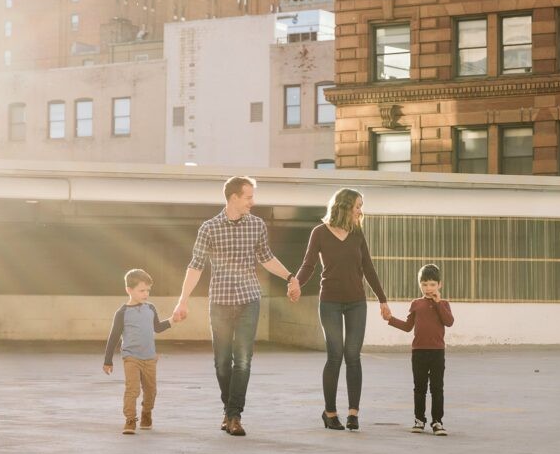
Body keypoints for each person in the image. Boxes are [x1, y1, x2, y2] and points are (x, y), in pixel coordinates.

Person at [172, 176, 300, 437]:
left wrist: (290, 276)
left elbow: (266, 258)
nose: (253, 202)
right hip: (219, 302)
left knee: (242, 360)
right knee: (221, 363)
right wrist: (182, 301)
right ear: (233, 198)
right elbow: (195, 266)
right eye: (248, 197)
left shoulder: (257, 225)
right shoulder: (209, 228)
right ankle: (228, 410)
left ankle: (234, 416)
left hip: (249, 299)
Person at [290, 188, 391, 432]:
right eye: (358, 205)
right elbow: (309, 264)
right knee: (335, 356)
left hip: (356, 302)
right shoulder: (320, 233)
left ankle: (353, 414)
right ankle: (330, 412)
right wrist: (296, 283)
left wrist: (383, 300)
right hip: (330, 303)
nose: (360, 210)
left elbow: (368, 267)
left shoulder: (357, 233)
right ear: (345, 206)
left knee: (353, 356)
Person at [102, 268, 179, 435]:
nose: (146, 294)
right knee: (132, 389)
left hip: (150, 358)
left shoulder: (150, 308)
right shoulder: (122, 313)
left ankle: (146, 413)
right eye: (142, 290)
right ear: (129, 290)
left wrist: (173, 320)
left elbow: (157, 328)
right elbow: (113, 337)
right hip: (131, 357)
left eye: (148, 290)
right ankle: (130, 419)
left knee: (151, 391)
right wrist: (108, 360)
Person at [382, 263, 454, 436]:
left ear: (439, 285)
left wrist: (438, 303)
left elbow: (449, 321)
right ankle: (419, 420)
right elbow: (408, 326)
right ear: (419, 285)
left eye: (432, 284)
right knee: (419, 388)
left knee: (437, 388)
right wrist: (390, 319)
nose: (428, 288)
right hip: (419, 352)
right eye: (424, 284)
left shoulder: (444, 304)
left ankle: (437, 422)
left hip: (437, 352)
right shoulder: (416, 304)